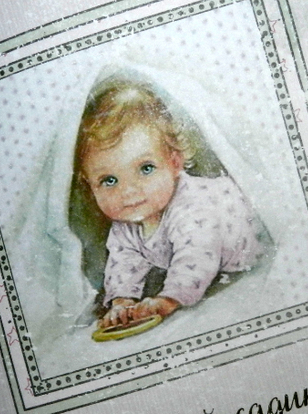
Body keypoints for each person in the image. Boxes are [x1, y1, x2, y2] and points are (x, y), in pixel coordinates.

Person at [74, 79, 264, 330]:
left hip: (253, 239)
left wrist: (168, 299)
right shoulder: (125, 224)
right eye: (109, 180)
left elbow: (197, 255)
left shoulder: (192, 206)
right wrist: (121, 303)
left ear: (175, 163)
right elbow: (123, 264)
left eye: (146, 168)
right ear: (90, 185)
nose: (129, 192)